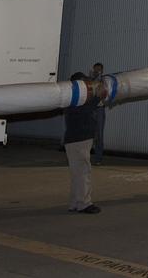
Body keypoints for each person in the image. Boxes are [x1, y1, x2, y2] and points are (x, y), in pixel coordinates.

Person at [64, 71, 107, 214]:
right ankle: (84, 203)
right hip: (79, 140)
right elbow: (85, 109)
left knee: (77, 173)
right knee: (83, 172)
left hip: (74, 140)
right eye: (85, 83)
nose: (88, 86)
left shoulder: (71, 97)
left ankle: (75, 203)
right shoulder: (76, 98)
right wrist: (98, 96)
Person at [91, 62, 107, 165]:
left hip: (100, 109)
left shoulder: (104, 80)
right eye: (96, 69)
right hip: (90, 109)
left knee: (99, 135)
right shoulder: (89, 80)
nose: (97, 71)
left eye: (99, 69)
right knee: (89, 133)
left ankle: (98, 159)